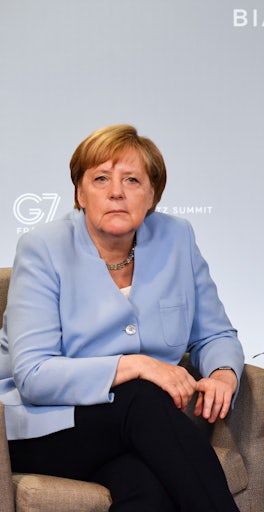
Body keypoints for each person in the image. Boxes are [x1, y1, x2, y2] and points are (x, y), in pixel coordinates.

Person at [0, 124, 245, 511]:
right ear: (80, 193)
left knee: (146, 489)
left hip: (136, 431)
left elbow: (215, 334)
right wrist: (138, 365)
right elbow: (33, 376)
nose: (116, 191)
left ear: (152, 195)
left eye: (132, 179)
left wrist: (222, 374)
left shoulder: (177, 238)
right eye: (100, 178)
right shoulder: (42, 249)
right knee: (141, 398)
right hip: (46, 427)